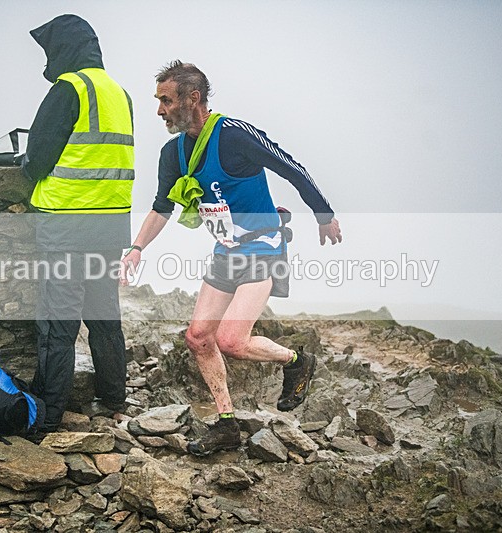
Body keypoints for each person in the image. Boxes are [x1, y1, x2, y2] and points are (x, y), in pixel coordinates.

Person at [121, 61, 342, 456]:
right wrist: (137, 249)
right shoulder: (173, 153)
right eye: (157, 101)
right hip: (226, 251)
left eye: (165, 101)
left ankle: (296, 361)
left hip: (263, 246)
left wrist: (323, 216)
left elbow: (292, 169)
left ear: (193, 98)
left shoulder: (235, 135)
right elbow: (161, 207)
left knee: (231, 340)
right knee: (198, 337)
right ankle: (226, 424)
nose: (159, 111)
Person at [21, 14, 134, 431]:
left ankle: (47, 415)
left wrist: (30, 172)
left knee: (58, 322)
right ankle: (113, 398)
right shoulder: (119, 94)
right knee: (104, 315)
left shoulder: (69, 88)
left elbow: (37, 159)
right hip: (110, 225)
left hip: (68, 224)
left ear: (64, 48)